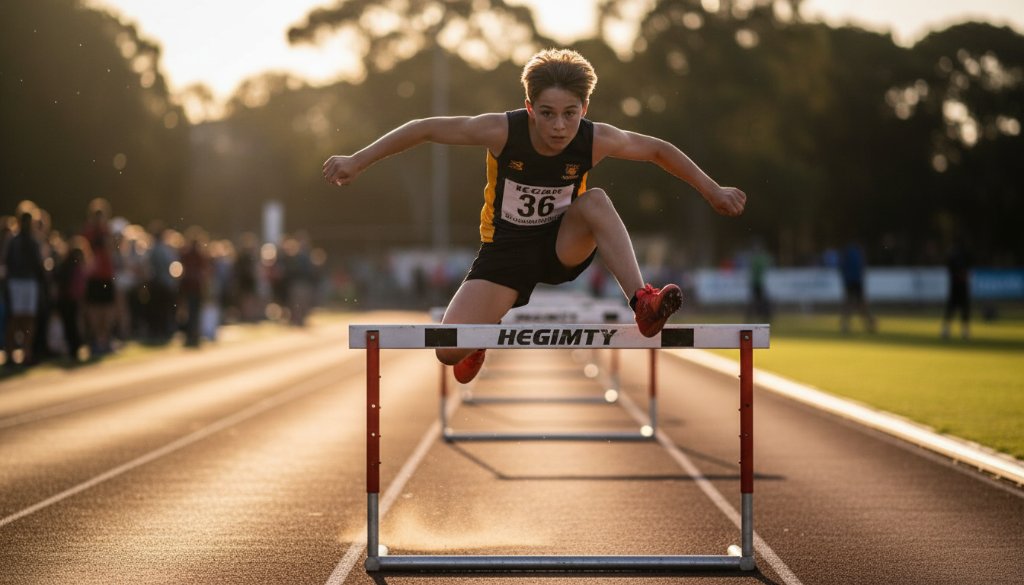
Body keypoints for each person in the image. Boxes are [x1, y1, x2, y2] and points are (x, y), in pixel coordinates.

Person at [322, 49, 747, 383]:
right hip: (505, 253)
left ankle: (643, 302)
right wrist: (358, 160)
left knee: (596, 200)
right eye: (546, 114)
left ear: (584, 108)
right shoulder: (501, 131)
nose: (559, 126)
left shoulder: (594, 139)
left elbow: (657, 149)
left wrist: (712, 190)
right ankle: (476, 343)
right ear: (529, 107)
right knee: (446, 350)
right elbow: (425, 127)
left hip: (563, 242)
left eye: (570, 114)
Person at [4, 211, 45, 366]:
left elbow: (38, 265)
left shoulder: (34, 241)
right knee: (16, 318)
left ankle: (27, 352)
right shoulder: (14, 241)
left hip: (30, 282)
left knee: (28, 318)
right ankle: (10, 353)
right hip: (17, 282)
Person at [839, 239, 876, 334]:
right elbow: (862, 267)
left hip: (849, 281)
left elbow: (842, 267)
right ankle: (870, 324)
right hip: (857, 281)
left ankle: (845, 325)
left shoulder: (846, 253)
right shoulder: (859, 253)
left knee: (848, 303)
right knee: (861, 304)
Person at [941, 237, 972, 340]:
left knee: (956, 309)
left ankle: (949, 330)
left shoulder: (955, 256)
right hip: (958, 286)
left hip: (958, 286)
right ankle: (962, 331)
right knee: (957, 309)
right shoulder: (961, 255)